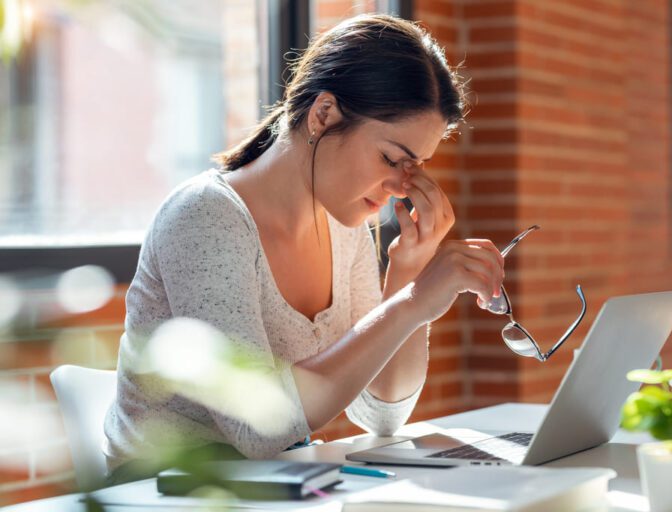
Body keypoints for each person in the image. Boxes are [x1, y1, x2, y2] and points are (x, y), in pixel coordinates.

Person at [103, 13, 505, 483]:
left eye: (414, 167)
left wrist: (408, 274)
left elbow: (379, 415)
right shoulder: (205, 217)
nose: (401, 187)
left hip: (278, 483)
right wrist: (413, 304)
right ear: (323, 115)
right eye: (391, 159)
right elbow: (259, 425)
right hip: (166, 492)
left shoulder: (344, 224)